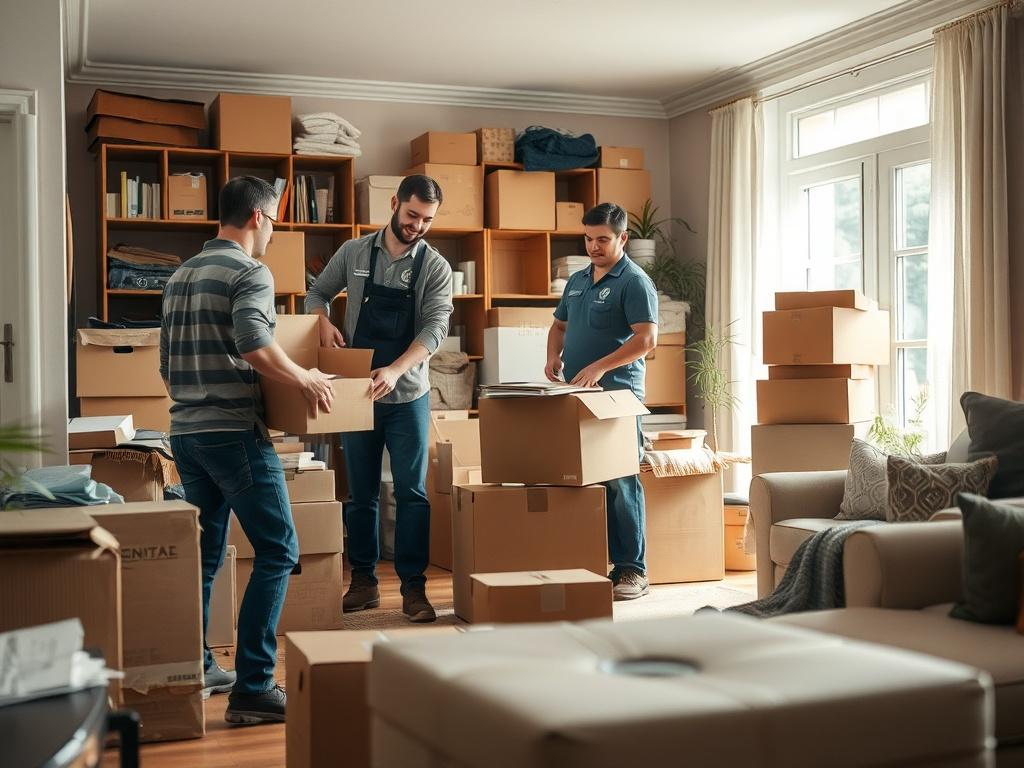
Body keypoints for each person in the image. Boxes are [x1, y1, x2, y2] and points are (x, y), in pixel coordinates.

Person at [161, 176, 335, 725]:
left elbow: (165, 363)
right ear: (258, 217)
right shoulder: (249, 271)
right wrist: (304, 378)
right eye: (275, 222)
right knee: (280, 549)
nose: (273, 234)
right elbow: (254, 342)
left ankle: (199, 662)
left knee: (208, 554)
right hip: (233, 431)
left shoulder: (181, 275)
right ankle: (255, 687)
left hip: (185, 433)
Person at [305, 174, 453, 623]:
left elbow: (434, 329)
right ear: (394, 203)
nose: (417, 226)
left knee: (411, 493)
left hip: (407, 395)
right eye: (411, 215)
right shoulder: (354, 252)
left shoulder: (435, 266)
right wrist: (321, 321)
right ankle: (364, 582)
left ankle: (413, 588)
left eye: (427, 220)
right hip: (357, 395)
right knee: (361, 494)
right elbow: (317, 292)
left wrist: (394, 369)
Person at [544, 202, 658, 600]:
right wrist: (552, 355)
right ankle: (603, 563)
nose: (594, 246)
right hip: (578, 397)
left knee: (621, 480)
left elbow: (646, 340)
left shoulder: (634, 281)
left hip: (617, 398)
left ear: (623, 238)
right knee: (588, 480)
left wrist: (598, 368)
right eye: (589, 238)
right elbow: (559, 325)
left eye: (603, 239)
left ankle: (633, 571)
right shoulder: (577, 280)